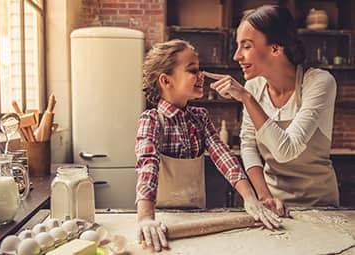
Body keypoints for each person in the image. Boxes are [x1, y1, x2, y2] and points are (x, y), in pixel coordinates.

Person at [135, 39, 281, 252]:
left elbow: (224, 157)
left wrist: (250, 199)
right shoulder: (152, 120)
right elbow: (147, 166)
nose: (201, 76)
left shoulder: (199, 118)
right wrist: (146, 218)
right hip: (163, 221)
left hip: (197, 216)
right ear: (166, 81)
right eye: (192, 70)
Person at [207, 5, 339, 212]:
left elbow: (286, 150)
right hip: (274, 203)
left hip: (320, 205)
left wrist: (246, 99)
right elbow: (248, 144)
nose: (237, 56)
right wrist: (265, 197)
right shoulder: (254, 87)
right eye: (237, 46)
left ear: (275, 48)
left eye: (247, 46)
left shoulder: (318, 82)